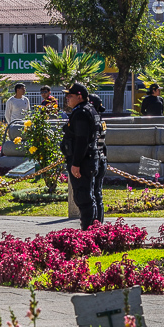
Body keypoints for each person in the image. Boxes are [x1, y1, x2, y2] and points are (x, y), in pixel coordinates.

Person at [61, 82, 100, 230]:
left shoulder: (81, 113)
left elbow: (81, 140)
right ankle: (91, 229)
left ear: (79, 96)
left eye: (70, 96)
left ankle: (87, 232)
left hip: (83, 161)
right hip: (89, 159)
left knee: (83, 198)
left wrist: (76, 163)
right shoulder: (88, 109)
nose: (67, 98)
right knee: (88, 197)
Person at [88, 92, 108, 223]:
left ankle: (94, 224)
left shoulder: (93, 122)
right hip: (102, 159)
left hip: (95, 160)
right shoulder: (102, 121)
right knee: (98, 194)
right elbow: (104, 145)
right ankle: (99, 222)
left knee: (93, 195)